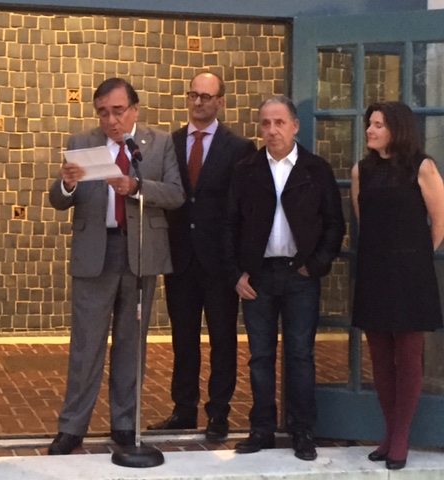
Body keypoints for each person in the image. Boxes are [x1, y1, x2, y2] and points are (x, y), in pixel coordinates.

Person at [47, 77, 185, 455]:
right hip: (96, 253)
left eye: (118, 111)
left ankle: (125, 424)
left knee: (131, 343)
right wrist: (67, 184)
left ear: (135, 110)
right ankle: (72, 427)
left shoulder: (159, 143)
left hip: (141, 253)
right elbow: (59, 200)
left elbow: (176, 194)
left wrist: (137, 187)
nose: (111, 120)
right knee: (86, 345)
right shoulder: (82, 143)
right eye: (103, 112)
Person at [228, 95, 345, 461]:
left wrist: (316, 264)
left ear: (295, 125)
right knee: (260, 356)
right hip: (258, 277)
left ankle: (302, 430)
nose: (272, 130)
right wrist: (236, 274)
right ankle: (261, 429)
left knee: (300, 355)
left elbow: (334, 224)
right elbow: (229, 225)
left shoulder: (316, 169)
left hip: (300, 276)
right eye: (265, 123)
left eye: (279, 122)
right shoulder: (246, 169)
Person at [147, 71, 256, 441]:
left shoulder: (239, 147)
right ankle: (183, 410)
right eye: (193, 94)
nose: (198, 102)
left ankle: (218, 413)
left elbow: (242, 209)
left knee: (223, 340)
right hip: (180, 258)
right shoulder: (171, 143)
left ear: (220, 101)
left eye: (206, 96)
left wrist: (238, 263)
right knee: (183, 339)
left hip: (220, 262)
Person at [351, 102, 444, 470]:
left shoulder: (423, 167)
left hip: (410, 273)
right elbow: (364, 221)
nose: (370, 130)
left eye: (378, 124)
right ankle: (390, 433)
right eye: (369, 124)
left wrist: (415, 257)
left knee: (407, 356)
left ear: (397, 129)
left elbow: (439, 221)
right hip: (374, 270)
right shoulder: (361, 170)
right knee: (379, 356)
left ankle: (400, 436)